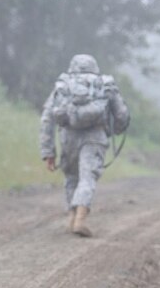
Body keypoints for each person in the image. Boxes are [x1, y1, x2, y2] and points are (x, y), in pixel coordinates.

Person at [39, 54, 130, 237]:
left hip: (67, 136)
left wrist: (48, 151)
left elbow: (47, 118)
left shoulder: (63, 85)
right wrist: (116, 130)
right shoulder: (104, 84)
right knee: (87, 177)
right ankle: (80, 220)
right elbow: (121, 114)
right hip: (95, 136)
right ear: (94, 67)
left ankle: (71, 218)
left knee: (72, 176)